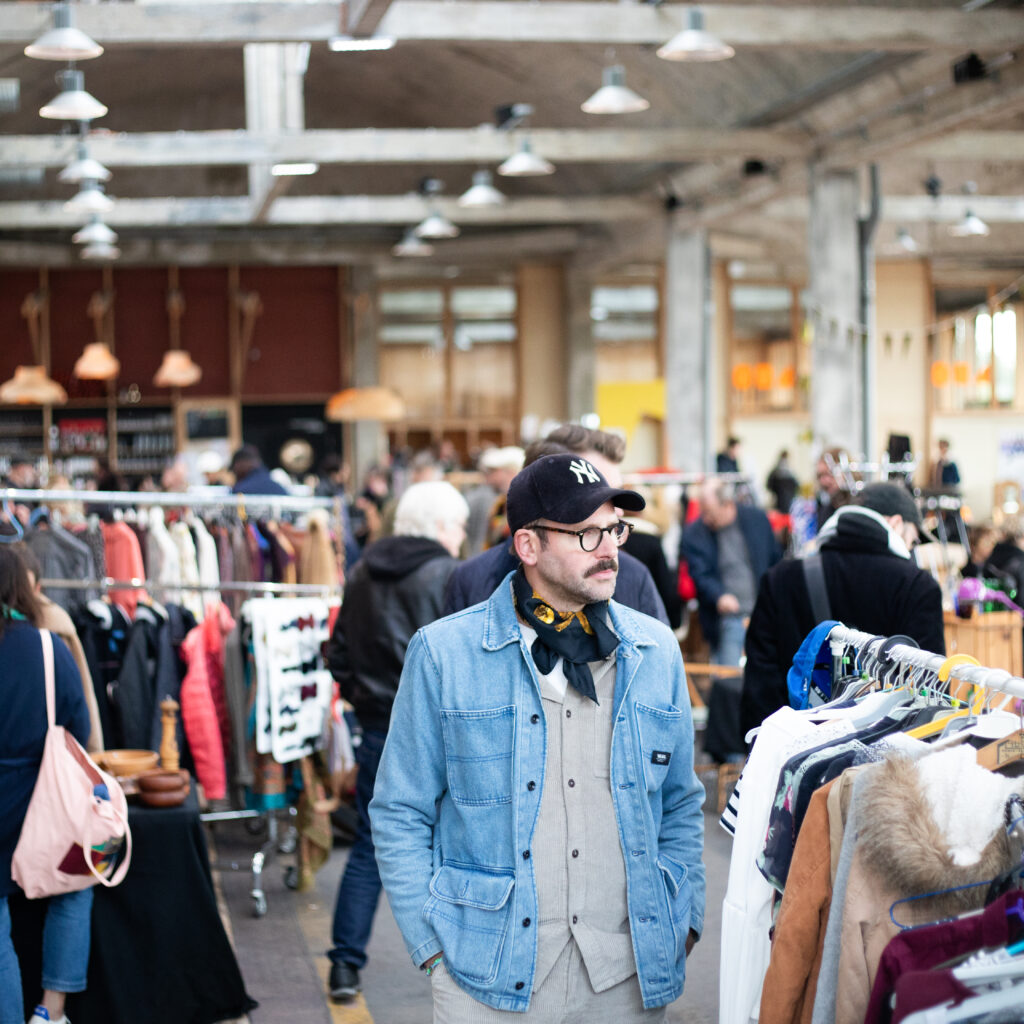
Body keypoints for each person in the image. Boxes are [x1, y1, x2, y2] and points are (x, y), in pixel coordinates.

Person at [371, 453, 705, 1021]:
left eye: (614, 529)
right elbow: (400, 810)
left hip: (624, 978)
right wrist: (431, 951)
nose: (609, 549)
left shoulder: (654, 650)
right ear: (528, 546)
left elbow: (680, 800)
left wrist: (685, 916)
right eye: (585, 534)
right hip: (485, 977)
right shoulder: (445, 654)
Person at [324, 481, 468, 1002]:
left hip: (377, 727)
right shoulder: (449, 576)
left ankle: (344, 964)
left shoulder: (362, 572)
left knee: (371, 843)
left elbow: (336, 651)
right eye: (457, 525)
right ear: (436, 527)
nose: (462, 536)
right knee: (457, 840)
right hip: (441, 728)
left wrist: (361, 695)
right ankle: (456, 958)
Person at [741, 482, 946, 739]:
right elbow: (927, 690)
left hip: (789, 753)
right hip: (882, 763)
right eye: (913, 539)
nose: (912, 549)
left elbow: (759, 683)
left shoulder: (781, 578)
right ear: (895, 523)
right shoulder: (917, 586)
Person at [443, 425, 669, 625]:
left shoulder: (633, 578)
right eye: (594, 491)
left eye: (613, 491)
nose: (615, 509)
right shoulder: (473, 580)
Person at [0, 546, 93, 1024]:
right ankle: (51, 1012)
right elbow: (81, 729)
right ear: (25, 587)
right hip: (41, 801)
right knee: (75, 886)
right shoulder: (46, 646)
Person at [680, 480, 781, 666]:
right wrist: (719, 596)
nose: (705, 518)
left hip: (762, 613)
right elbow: (700, 574)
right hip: (728, 619)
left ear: (727, 504)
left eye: (709, 512)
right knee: (728, 679)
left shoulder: (756, 519)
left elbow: (775, 560)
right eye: (702, 511)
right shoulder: (695, 534)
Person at [464, 446, 524, 557]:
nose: (489, 479)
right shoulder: (499, 504)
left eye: (493, 472)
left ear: (511, 472)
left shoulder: (524, 505)